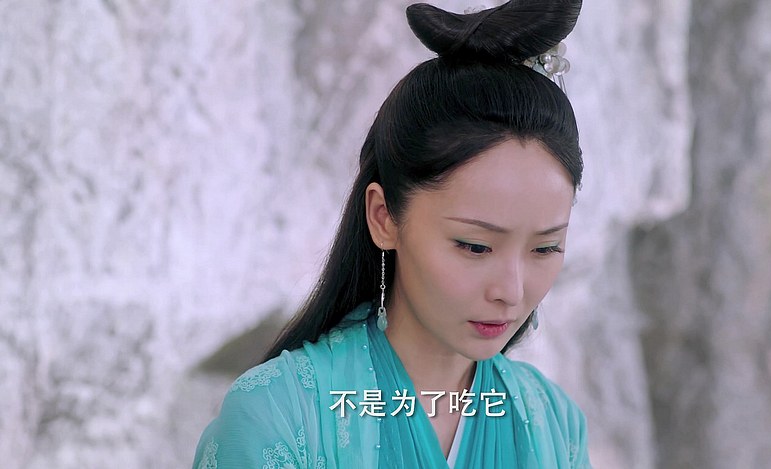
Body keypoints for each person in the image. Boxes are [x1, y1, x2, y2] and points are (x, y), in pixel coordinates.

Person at [193, 0, 591, 467]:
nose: (512, 291)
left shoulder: (554, 423)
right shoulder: (278, 417)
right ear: (384, 217)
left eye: (545, 248)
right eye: (475, 246)